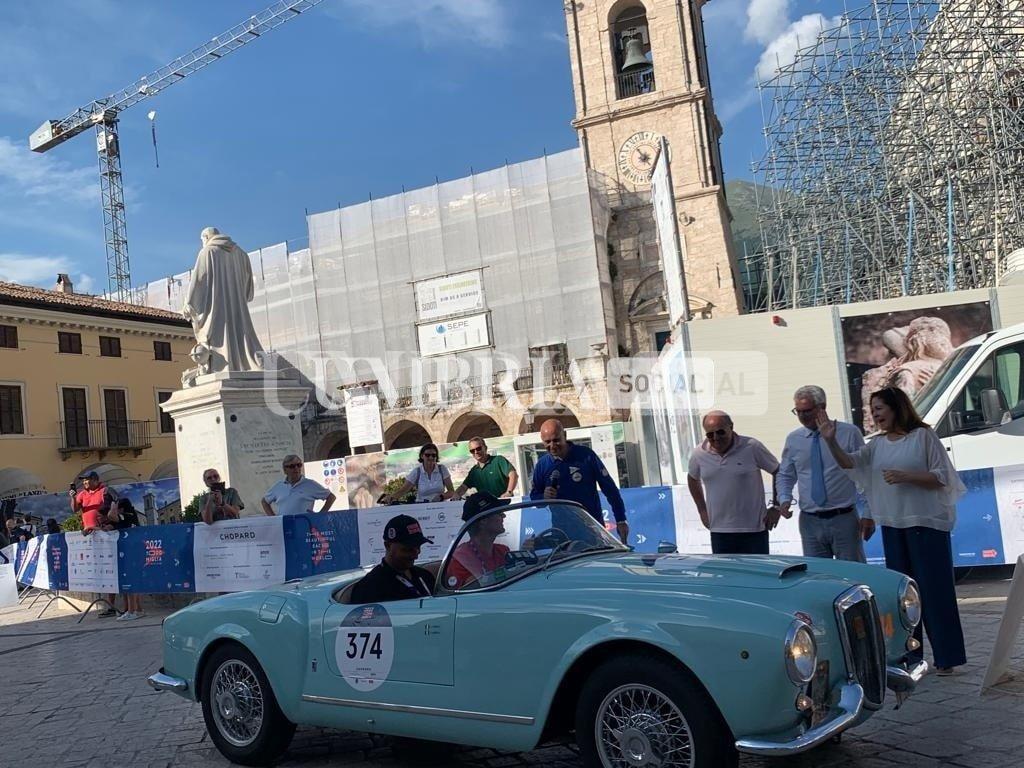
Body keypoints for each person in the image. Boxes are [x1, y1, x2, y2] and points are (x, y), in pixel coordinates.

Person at [818, 386, 967, 675]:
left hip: (926, 523)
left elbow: (942, 476)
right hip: (894, 525)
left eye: (879, 409)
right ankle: (910, 656)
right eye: (872, 410)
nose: (875, 415)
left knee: (935, 592)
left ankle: (947, 656)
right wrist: (830, 441)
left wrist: (906, 476)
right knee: (902, 597)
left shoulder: (923, 436)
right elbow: (850, 463)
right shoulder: (877, 444)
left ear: (896, 407)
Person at [777, 385, 873, 562]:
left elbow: (865, 474)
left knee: (852, 572)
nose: (802, 416)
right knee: (818, 573)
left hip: (843, 517)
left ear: (822, 407)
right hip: (810, 520)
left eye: (807, 411)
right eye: (798, 411)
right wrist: (784, 498)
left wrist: (869, 513)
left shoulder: (849, 433)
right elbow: (785, 474)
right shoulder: (794, 439)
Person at [687, 410, 780, 555]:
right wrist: (702, 511)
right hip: (719, 531)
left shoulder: (752, 446)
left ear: (731, 427)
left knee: (756, 570)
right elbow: (692, 478)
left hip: (754, 530)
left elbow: (778, 471)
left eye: (720, 432)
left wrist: (777, 507)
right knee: (725, 571)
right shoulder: (699, 454)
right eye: (710, 435)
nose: (716, 438)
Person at [182, 227, 265, 379]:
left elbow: (199, 281)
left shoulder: (207, 252)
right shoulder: (242, 254)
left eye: (202, 240)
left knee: (219, 335)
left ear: (206, 237)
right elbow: (248, 290)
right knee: (242, 334)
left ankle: (223, 365)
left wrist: (189, 304)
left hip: (217, 309)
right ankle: (245, 363)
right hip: (239, 308)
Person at [529, 419, 629, 544]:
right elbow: (534, 498)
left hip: (592, 531)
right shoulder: (542, 465)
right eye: (547, 442)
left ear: (565, 436)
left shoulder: (586, 456)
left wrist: (620, 519)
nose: (552, 446)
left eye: (556, 440)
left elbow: (610, 489)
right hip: (562, 534)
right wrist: (544, 497)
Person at [350, 514, 436, 603]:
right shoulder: (369, 587)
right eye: (408, 549)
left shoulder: (425, 576)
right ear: (387, 546)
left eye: (418, 547)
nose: (416, 555)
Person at [72, 472, 117, 617]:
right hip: (89, 536)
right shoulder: (81, 494)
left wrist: (103, 525)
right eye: (83, 480)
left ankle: (111, 605)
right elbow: (74, 509)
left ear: (96, 480)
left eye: (87, 480)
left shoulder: (105, 491)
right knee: (97, 570)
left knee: (108, 569)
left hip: (104, 534)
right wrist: (73, 497)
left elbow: (110, 510)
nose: (85, 482)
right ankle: (105, 604)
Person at [446, 492, 511, 589]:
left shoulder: (503, 551)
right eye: (498, 512)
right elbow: (471, 592)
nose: (503, 516)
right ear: (483, 521)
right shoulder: (461, 558)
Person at [107, 499, 145, 621]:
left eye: (118, 508)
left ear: (121, 509)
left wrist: (113, 504)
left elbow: (111, 516)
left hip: (128, 554)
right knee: (135, 583)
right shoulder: (133, 516)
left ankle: (131, 611)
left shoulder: (125, 516)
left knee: (130, 584)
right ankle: (138, 609)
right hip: (136, 552)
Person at [262, 455, 335, 516]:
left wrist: (320, 515)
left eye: (299, 465)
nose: (296, 468)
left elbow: (331, 497)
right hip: (285, 525)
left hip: (304, 524)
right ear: (285, 470)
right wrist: (274, 519)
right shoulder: (278, 486)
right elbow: (264, 501)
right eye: (292, 466)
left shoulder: (310, 484)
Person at [382, 444, 454, 504]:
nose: (431, 457)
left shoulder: (442, 469)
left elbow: (451, 491)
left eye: (433, 455)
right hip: (422, 507)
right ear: (422, 456)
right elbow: (404, 490)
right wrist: (391, 497)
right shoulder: (417, 472)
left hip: (440, 507)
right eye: (427, 455)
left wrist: (441, 497)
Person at [454, 438, 518, 499]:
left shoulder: (498, 460)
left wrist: (509, 492)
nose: (476, 452)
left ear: (485, 448)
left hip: (504, 502)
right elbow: (463, 487)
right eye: (472, 451)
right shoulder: (474, 471)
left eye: (478, 448)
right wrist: (456, 495)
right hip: (486, 506)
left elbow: (513, 474)